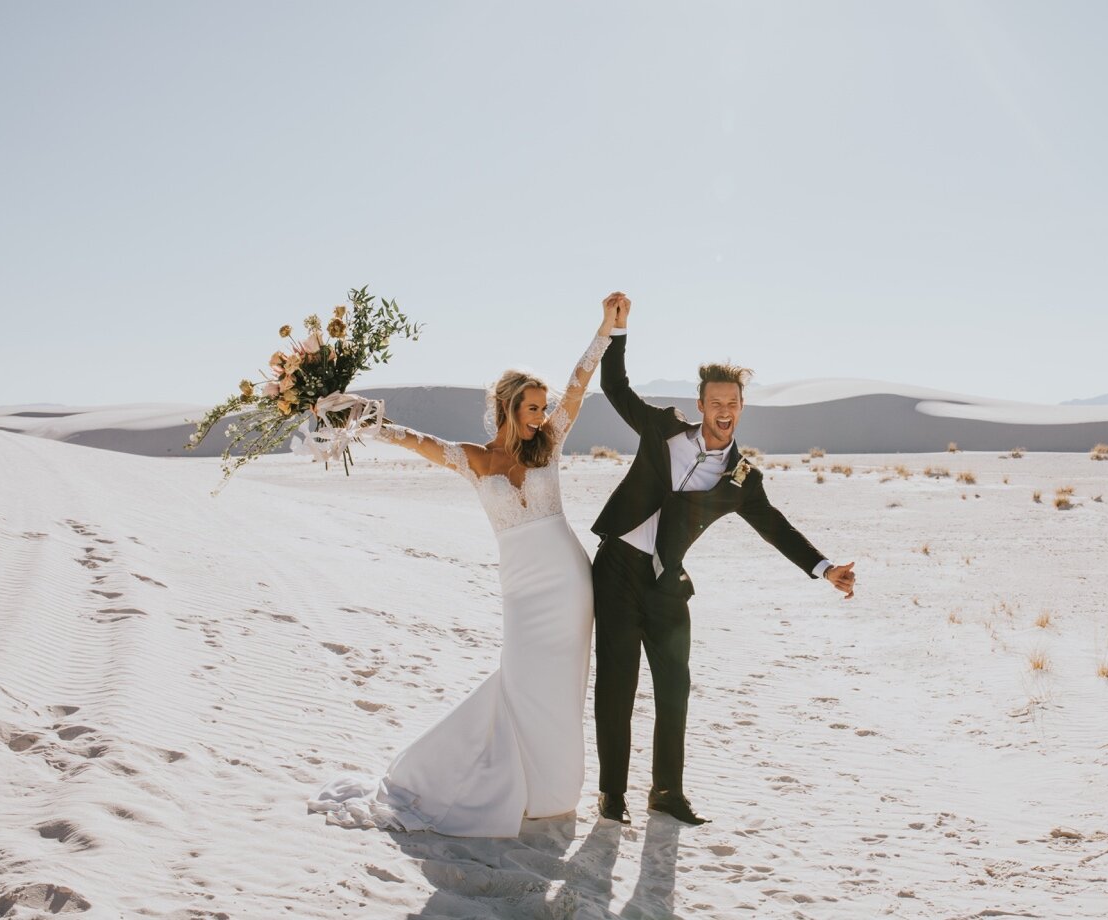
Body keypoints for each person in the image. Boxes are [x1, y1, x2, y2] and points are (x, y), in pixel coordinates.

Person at [308, 294, 626, 838]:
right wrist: (362, 420)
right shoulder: (475, 459)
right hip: (523, 590)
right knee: (523, 680)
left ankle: (552, 790)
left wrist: (605, 330)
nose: (541, 415)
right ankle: (512, 779)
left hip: (570, 584)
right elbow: (415, 441)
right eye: (531, 408)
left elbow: (579, 385)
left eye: (541, 407)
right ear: (507, 408)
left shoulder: (547, 445)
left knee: (563, 685)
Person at [589, 295, 857, 826]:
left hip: (667, 586)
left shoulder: (742, 479)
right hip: (617, 567)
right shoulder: (662, 429)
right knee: (616, 683)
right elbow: (614, 388)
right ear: (701, 403)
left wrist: (825, 569)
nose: (725, 411)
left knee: (674, 686)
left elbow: (775, 527)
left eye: (733, 402)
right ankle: (612, 795)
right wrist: (615, 333)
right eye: (716, 402)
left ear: (741, 407)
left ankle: (667, 792)